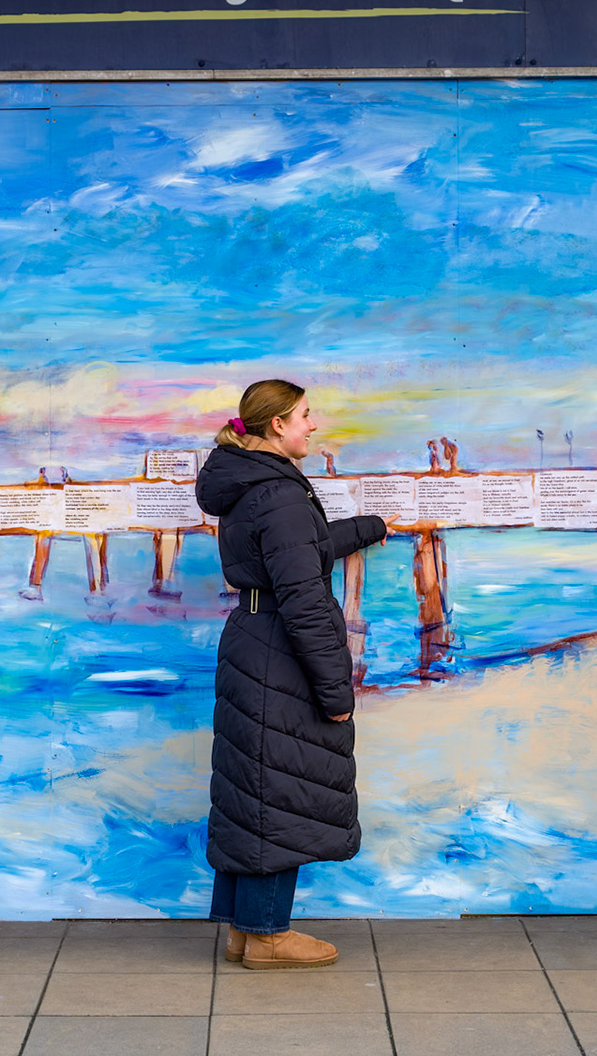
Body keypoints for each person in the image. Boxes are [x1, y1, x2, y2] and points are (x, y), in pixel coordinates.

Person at [193, 379, 389, 970]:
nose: (313, 424)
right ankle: (269, 936)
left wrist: (366, 527)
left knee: (251, 787)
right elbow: (303, 594)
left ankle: (243, 929)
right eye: (305, 415)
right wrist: (336, 691)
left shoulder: (252, 484)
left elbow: (295, 551)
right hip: (279, 645)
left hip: (253, 639)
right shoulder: (277, 493)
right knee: (279, 791)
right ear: (276, 424)